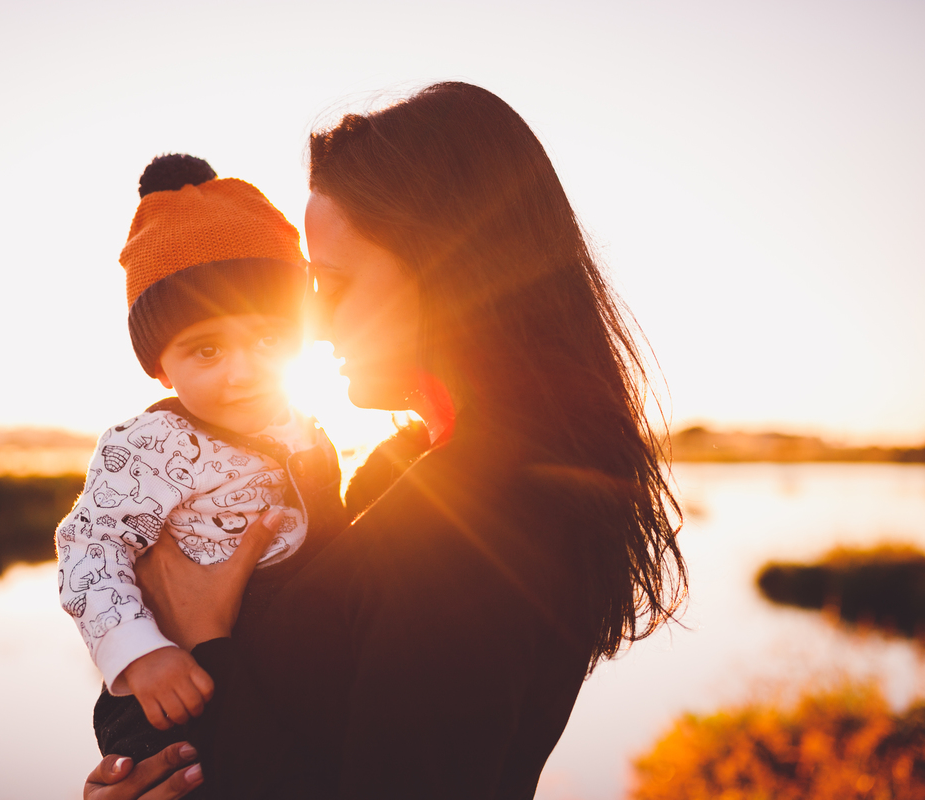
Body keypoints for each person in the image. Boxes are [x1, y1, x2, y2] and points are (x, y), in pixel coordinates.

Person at [86, 81, 687, 800]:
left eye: (334, 284)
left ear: (450, 274)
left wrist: (203, 640)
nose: (315, 322)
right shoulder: (402, 470)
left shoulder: (481, 527)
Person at [56, 154, 347, 774]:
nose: (243, 372)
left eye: (268, 339)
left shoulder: (302, 425)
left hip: (274, 678)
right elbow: (89, 547)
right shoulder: (151, 445)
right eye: (207, 350)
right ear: (162, 368)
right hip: (175, 689)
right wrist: (141, 654)